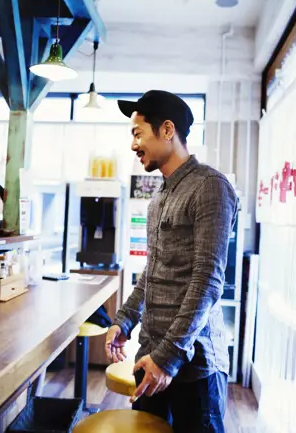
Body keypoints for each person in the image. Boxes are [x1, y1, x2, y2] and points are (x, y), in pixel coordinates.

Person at [105, 90, 238, 432]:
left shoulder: (210, 187)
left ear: (167, 130)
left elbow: (208, 281)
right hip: (150, 355)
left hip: (192, 366)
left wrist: (168, 357)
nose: (134, 145)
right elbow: (154, 271)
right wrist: (124, 320)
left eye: (138, 133)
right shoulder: (159, 196)